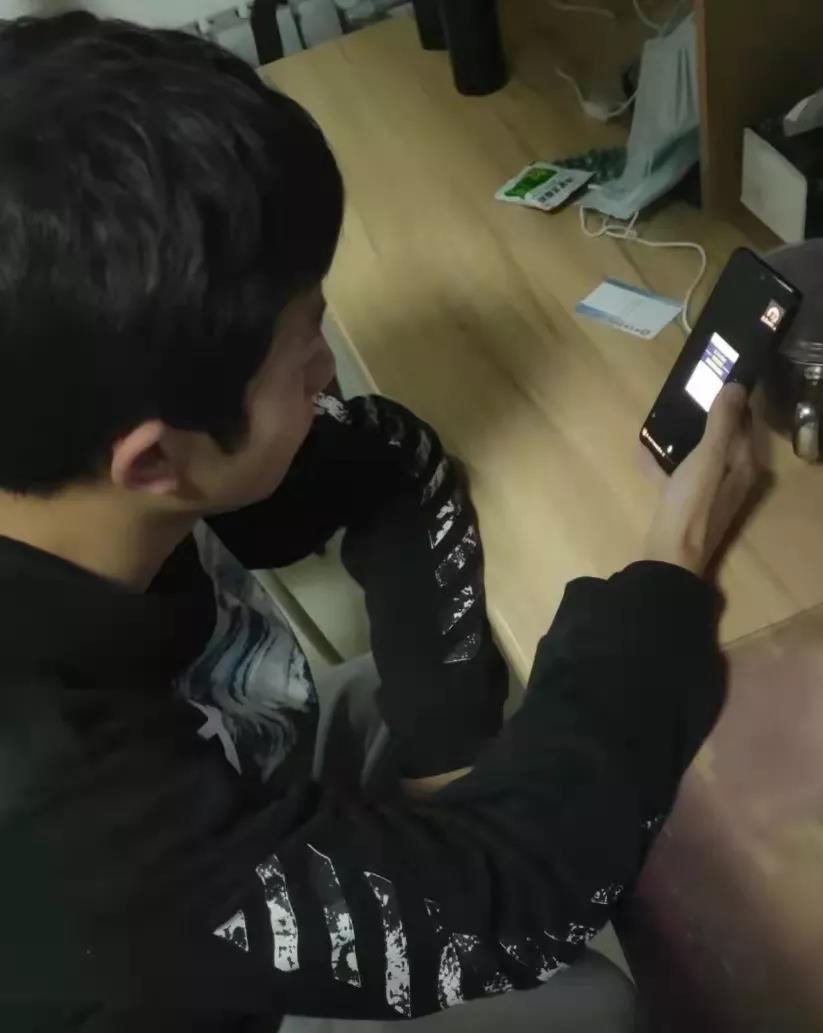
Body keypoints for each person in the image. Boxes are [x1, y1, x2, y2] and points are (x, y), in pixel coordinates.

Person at [0, 13, 758, 1033]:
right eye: (306, 343)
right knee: (592, 999)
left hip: (214, 787)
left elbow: (390, 460)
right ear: (156, 463)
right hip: (168, 966)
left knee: (465, 712)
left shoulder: (60, 451)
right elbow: (524, 902)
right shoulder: (80, 820)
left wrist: (446, 758)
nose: (328, 373)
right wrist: (673, 563)